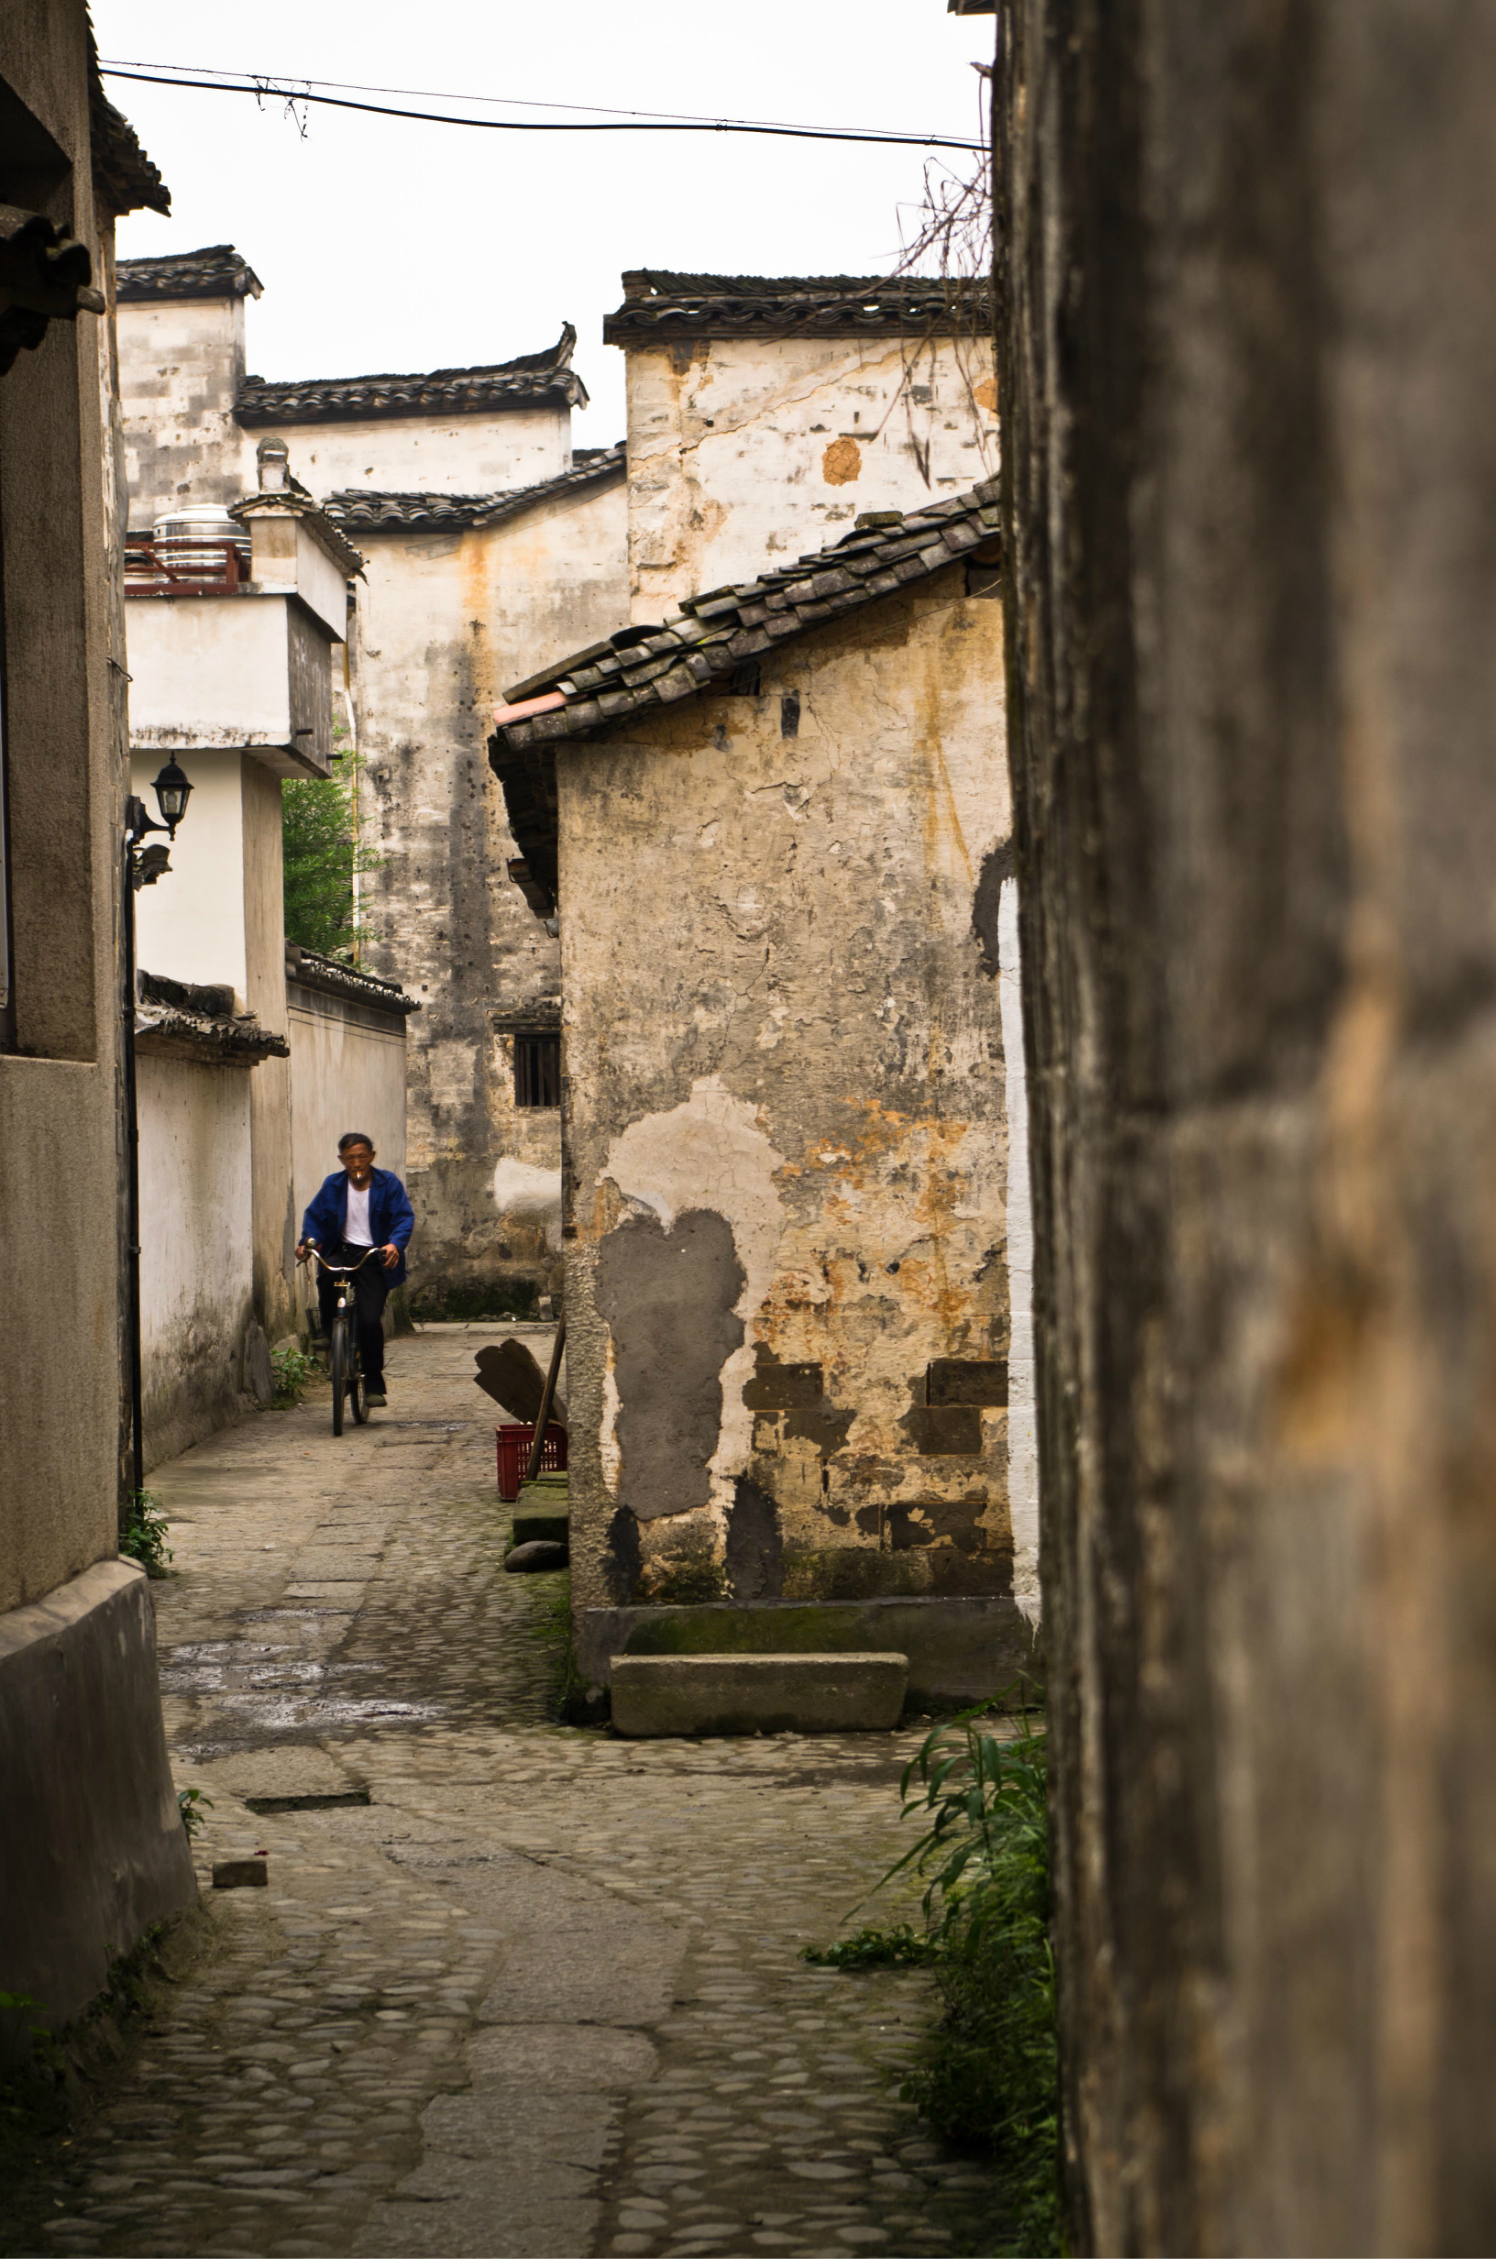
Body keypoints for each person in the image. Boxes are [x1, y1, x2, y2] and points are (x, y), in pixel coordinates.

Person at [296, 1133, 414, 1409]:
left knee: (370, 1321)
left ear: (372, 1156)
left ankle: (373, 1382)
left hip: (374, 1255)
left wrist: (395, 1244)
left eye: (362, 1156)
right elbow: (315, 1217)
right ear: (342, 1160)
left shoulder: (388, 1184)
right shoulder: (333, 1185)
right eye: (351, 1158)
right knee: (326, 1275)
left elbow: (403, 1217)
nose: (357, 1162)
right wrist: (306, 1244)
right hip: (342, 1248)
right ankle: (328, 1331)